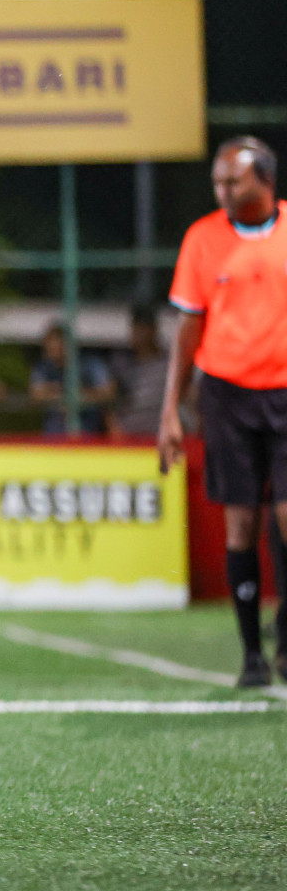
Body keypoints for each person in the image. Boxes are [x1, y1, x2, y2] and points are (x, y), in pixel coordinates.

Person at [160, 136, 287, 687]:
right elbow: (188, 332)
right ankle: (251, 656)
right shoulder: (203, 238)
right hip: (228, 396)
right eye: (217, 182)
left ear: (264, 179)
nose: (222, 191)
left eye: (232, 181)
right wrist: (170, 409)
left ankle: (286, 630)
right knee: (242, 524)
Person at [29, 322, 114, 435]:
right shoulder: (44, 367)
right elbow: (36, 394)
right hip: (54, 434)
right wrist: (64, 396)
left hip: (88, 431)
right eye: (49, 346)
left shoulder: (90, 364)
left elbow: (108, 392)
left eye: (57, 344)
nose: (52, 349)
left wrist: (79, 397)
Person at [108, 304, 169, 437]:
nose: (137, 333)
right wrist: (115, 429)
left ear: (153, 330)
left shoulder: (169, 364)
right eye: (135, 328)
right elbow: (110, 401)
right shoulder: (122, 363)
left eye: (142, 328)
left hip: (160, 432)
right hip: (128, 434)